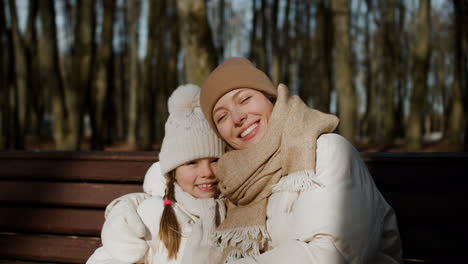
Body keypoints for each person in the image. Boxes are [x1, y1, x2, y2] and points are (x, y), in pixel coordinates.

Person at [199, 57, 402, 263]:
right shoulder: (235, 187)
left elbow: (331, 254)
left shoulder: (326, 151)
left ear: (270, 97)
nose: (237, 118)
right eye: (221, 117)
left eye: (244, 99)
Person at [87, 84, 226, 264]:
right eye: (192, 163)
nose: (207, 172)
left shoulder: (232, 209)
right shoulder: (153, 215)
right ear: (173, 171)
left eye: (215, 160)